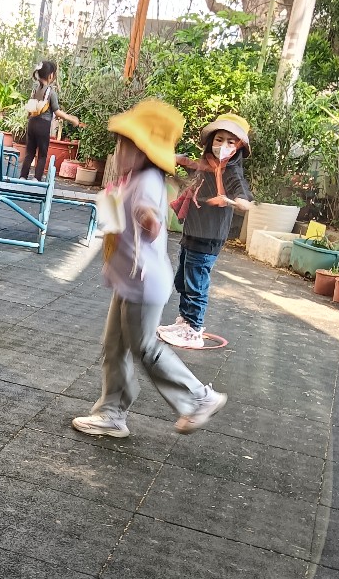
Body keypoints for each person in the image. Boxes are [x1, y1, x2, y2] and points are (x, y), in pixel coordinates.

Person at [71, 99, 228, 439]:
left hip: (143, 285)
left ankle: (198, 397)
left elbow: (150, 217)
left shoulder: (147, 182)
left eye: (125, 145)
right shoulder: (134, 178)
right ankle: (111, 413)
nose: (118, 152)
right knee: (114, 347)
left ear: (144, 151)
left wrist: (149, 219)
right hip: (129, 281)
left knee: (144, 347)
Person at [158, 113, 254, 350]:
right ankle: (184, 322)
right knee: (183, 280)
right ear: (211, 141)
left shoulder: (231, 172)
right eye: (219, 139)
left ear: (239, 147)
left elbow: (244, 199)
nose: (223, 146)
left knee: (196, 284)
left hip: (208, 237)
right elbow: (192, 169)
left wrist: (234, 200)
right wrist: (175, 160)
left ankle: (194, 330)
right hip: (192, 234)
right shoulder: (208, 165)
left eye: (231, 142)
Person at [20, 60, 84, 181]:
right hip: (43, 125)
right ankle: (36, 178)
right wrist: (72, 119)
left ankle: (23, 176)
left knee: (30, 153)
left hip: (31, 123)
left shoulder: (35, 89)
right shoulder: (51, 92)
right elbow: (57, 111)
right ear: (50, 75)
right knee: (42, 154)